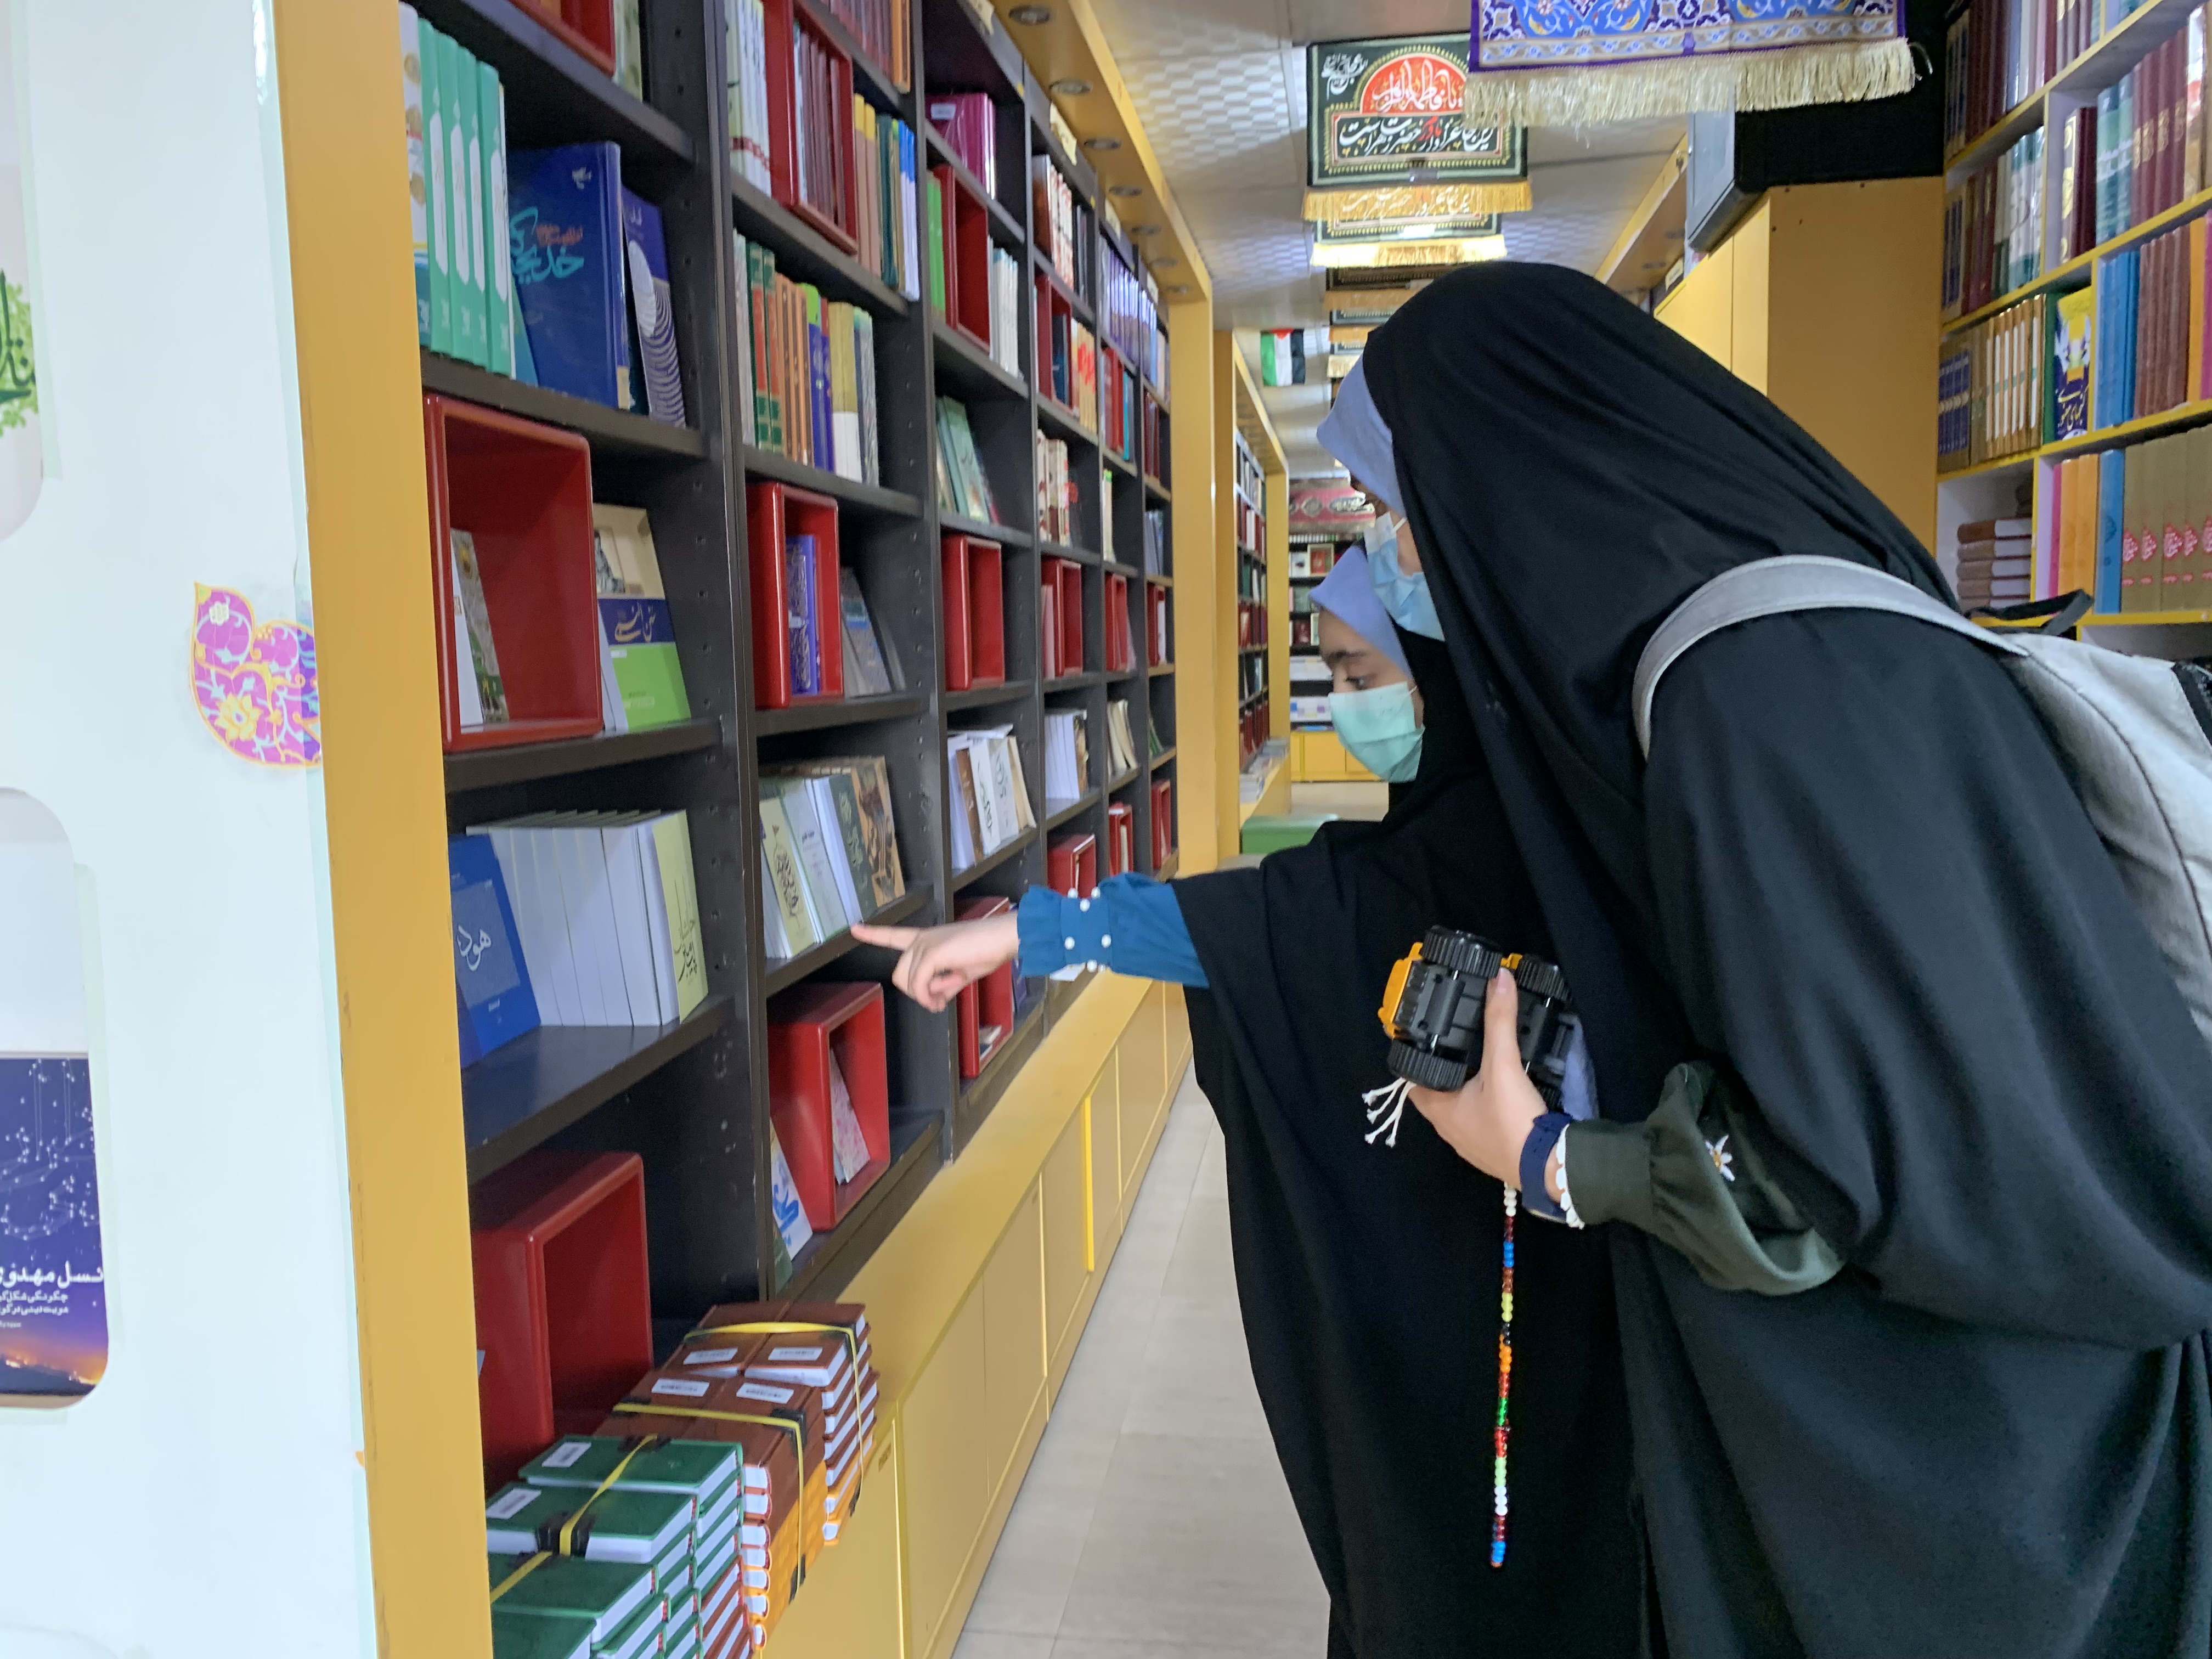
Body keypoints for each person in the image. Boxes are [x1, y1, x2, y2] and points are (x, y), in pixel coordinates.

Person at [1344, 261, 2212, 1658]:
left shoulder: (1745, 697)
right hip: (2015, 1405)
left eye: (1402, 505)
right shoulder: (1798, 620)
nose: (1401, 553)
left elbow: (1830, 1165)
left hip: (1975, 1483)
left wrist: (1547, 1160)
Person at [856, 561, 1643, 1657]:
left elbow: (1261, 927)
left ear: (1438, 679)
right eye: (1330, 675)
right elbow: (1257, 923)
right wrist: (1027, 933)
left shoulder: (1459, 859)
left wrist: (1025, 935)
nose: (1342, 703)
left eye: (1360, 674)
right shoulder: (1516, 834)